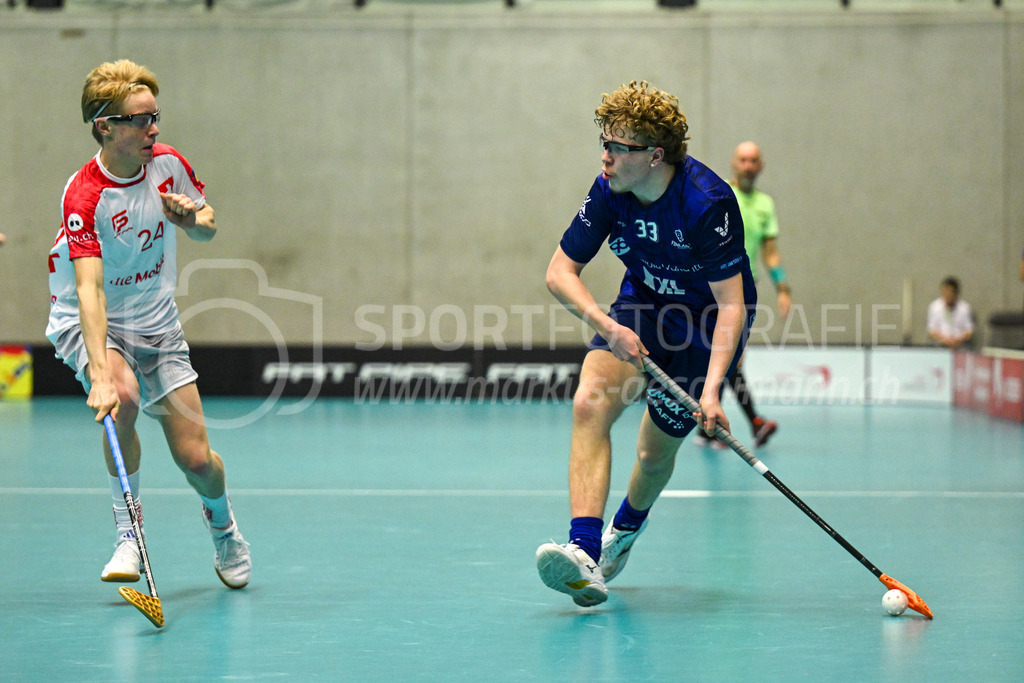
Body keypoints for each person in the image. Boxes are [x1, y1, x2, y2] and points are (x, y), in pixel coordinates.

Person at [535, 81, 756, 607]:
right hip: (643, 307)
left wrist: (712, 393)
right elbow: (559, 273)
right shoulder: (608, 190)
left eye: (618, 148)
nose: (605, 157)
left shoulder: (708, 203)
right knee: (590, 401)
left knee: (653, 457)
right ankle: (585, 552)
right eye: (603, 144)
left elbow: (733, 304)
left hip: (703, 326)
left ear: (655, 156)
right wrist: (607, 326)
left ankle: (626, 530)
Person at [45, 60, 251, 589]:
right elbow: (89, 289)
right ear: (105, 126)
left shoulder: (168, 164)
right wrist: (99, 374)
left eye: (155, 116)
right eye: (140, 120)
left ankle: (225, 530)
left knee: (197, 459)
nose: (153, 128)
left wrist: (189, 220)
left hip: (157, 326)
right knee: (125, 396)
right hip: (94, 323)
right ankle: (128, 536)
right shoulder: (84, 195)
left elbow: (207, 225)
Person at [700, 141, 792, 449]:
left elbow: (771, 252)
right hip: (709, 287)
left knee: (730, 359)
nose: (748, 165)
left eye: (754, 160)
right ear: (733, 163)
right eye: (743, 160)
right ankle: (745, 423)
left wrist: (782, 287)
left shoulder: (766, 205)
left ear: (761, 165)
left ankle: (710, 426)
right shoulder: (719, 194)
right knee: (727, 358)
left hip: (744, 292)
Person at [926, 276, 974, 349]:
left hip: (959, 345)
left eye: (951, 291)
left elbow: (969, 331)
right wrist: (945, 340)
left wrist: (957, 340)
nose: (948, 294)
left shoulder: (964, 308)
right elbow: (931, 330)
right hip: (939, 345)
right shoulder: (934, 307)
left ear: (956, 293)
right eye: (946, 291)